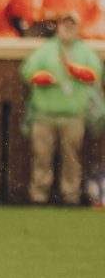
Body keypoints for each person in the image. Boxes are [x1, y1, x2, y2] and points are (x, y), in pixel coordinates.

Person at [20, 12, 103, 205]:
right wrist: (45, 78)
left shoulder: (85, 52)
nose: (68, 28)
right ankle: (39, 195)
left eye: (72, 25)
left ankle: (70, 196)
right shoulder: (46, 50)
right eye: (65, 24)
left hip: (74, 115)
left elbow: (96, 74)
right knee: (42, 156)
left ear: (78, 28)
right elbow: (27, 72)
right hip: (44, 114)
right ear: (59, 27)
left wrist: (76, 71)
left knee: (72, 158)